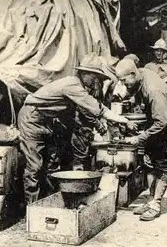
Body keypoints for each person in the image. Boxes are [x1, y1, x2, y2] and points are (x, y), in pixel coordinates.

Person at [18, 55, 134, 205]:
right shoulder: (73, 86)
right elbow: (96, 108)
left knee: (51, 163)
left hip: (46, 121)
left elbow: (87, 110)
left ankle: (49, 203)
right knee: (34, 166)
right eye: (94, 76)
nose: (95, 81)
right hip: (32, 118)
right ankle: (32, 209)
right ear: (84, 73)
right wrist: (124, 120)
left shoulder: (77, 86)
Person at [115, 59, 167, 221]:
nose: (123, 84)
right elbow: (137, 94)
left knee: (161, 165)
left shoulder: (154, 90)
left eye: (124, 81)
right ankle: (151, 199)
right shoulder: (141, 74)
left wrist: (140, 137)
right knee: (149, 162)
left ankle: (156, 204)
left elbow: (161, 122)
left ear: (132, 74)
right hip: (155, 121)